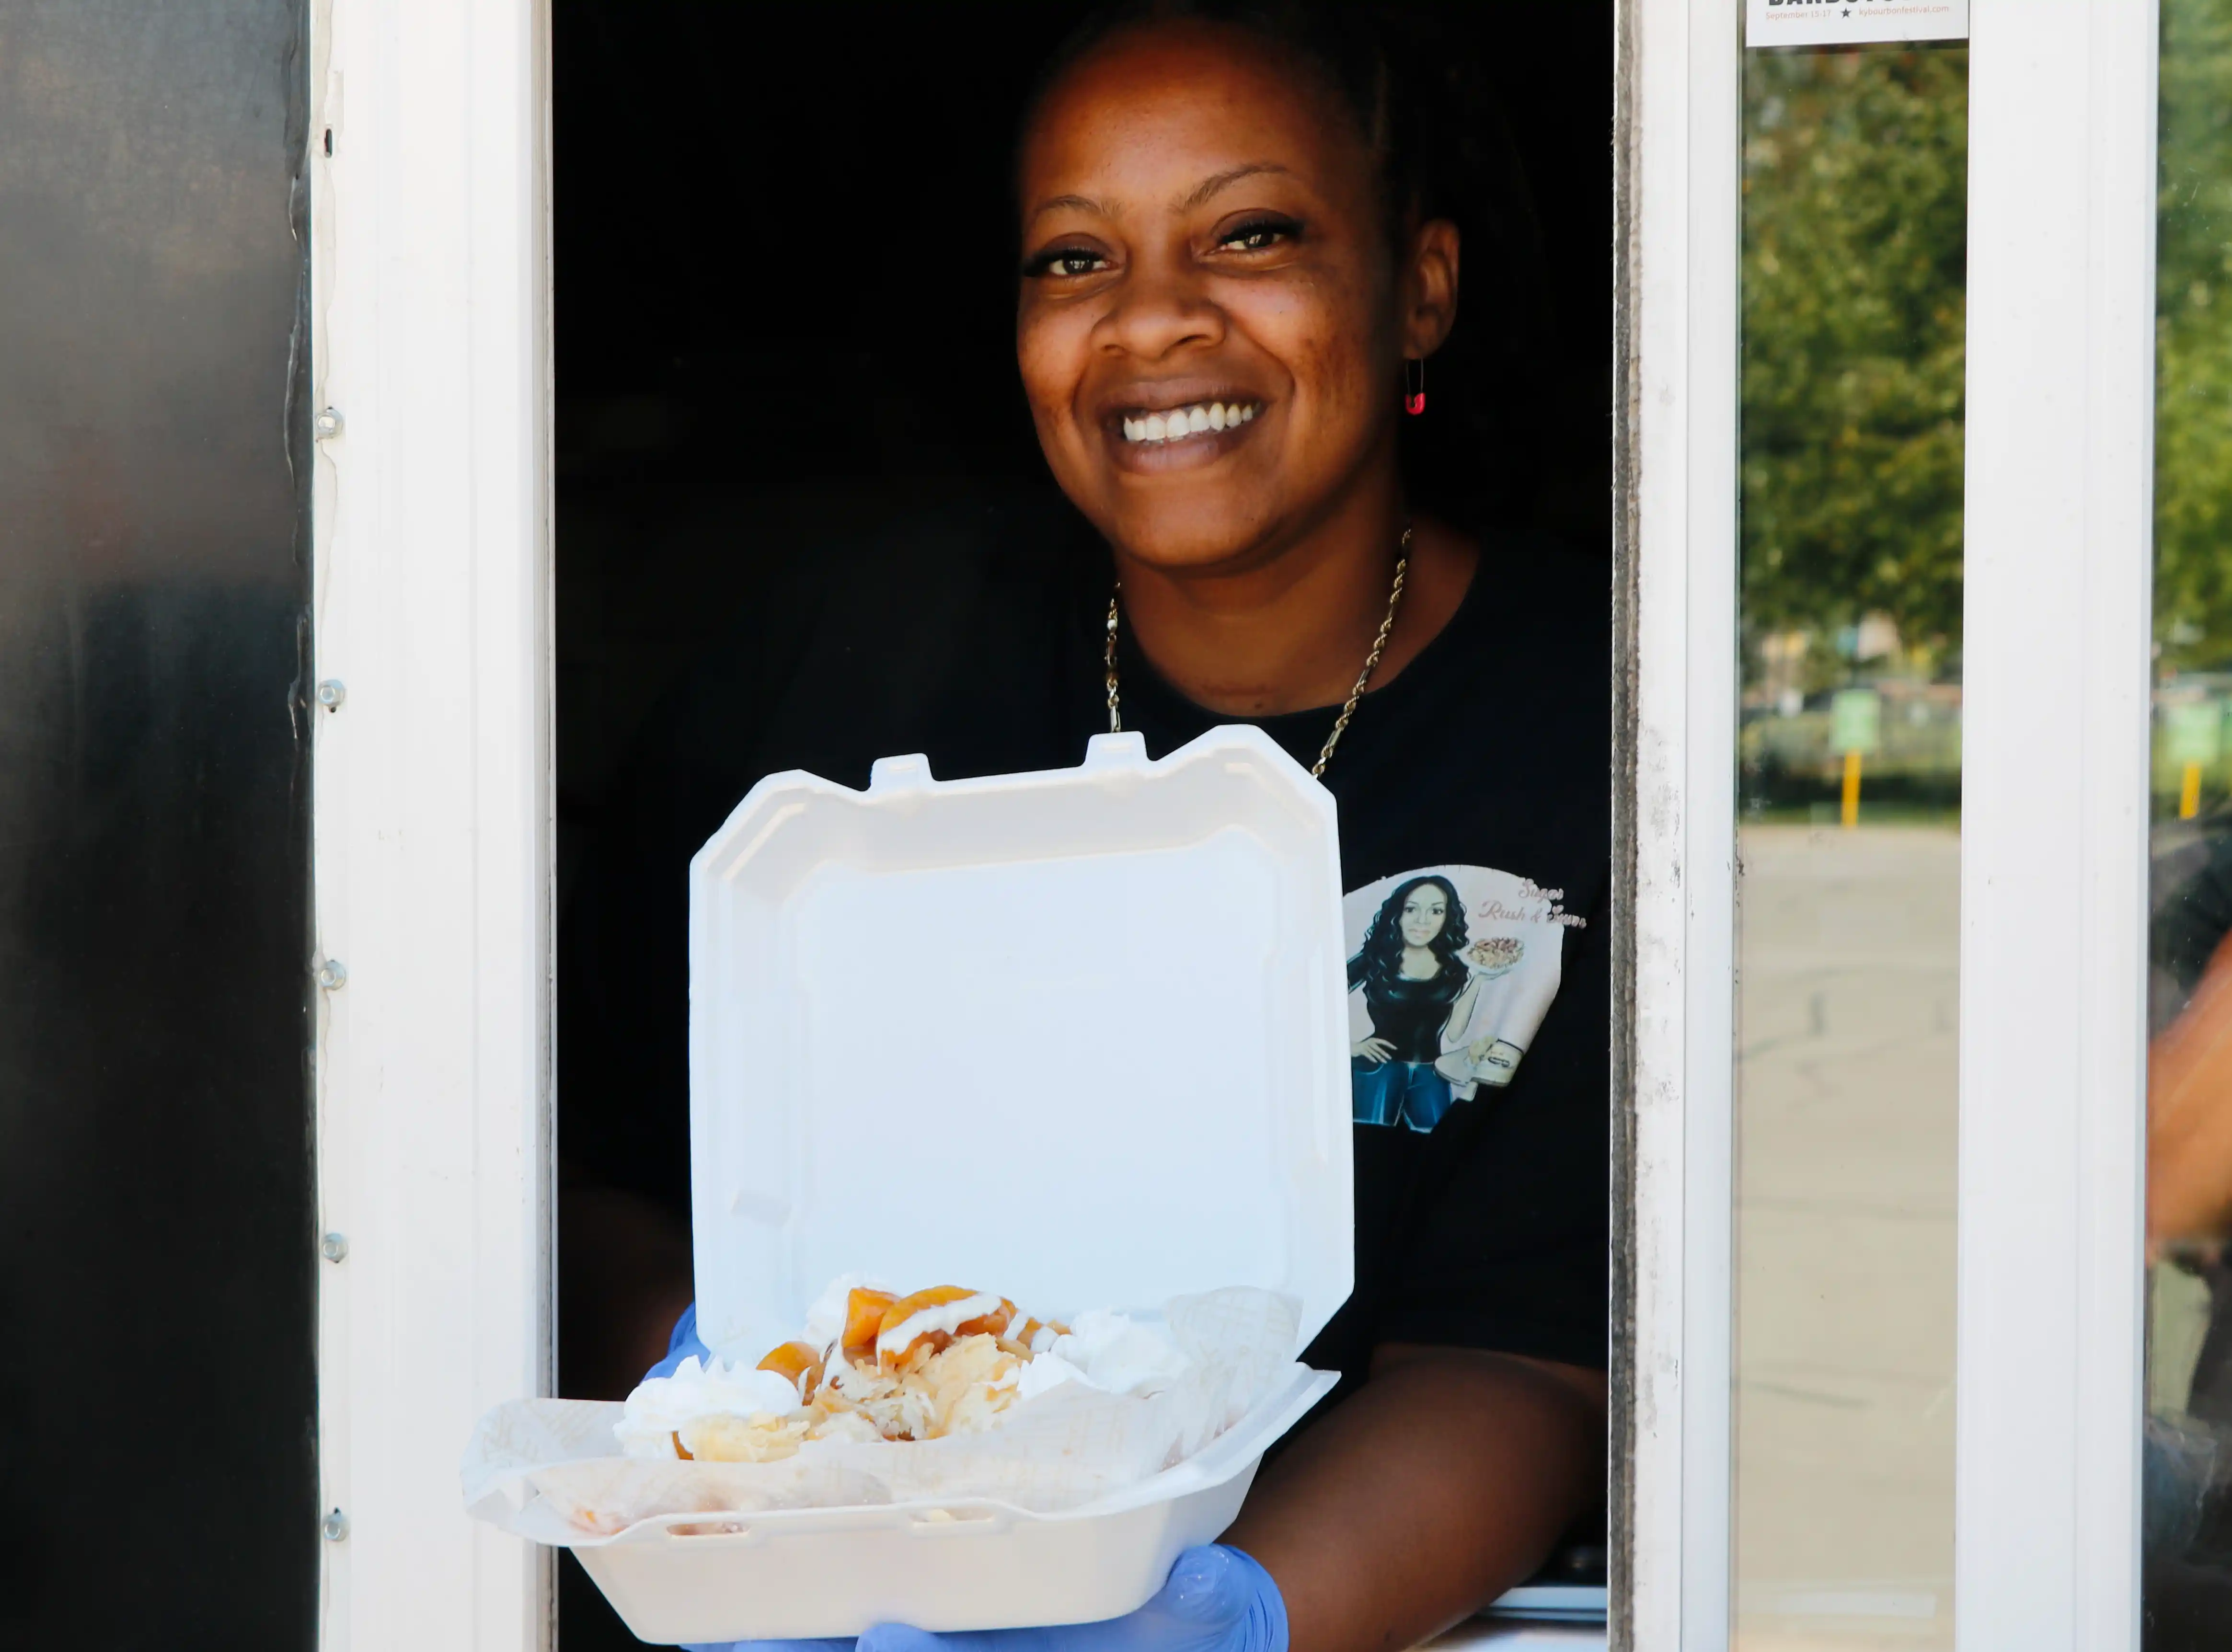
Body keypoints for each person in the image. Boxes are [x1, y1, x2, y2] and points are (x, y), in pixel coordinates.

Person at [560, 4, 1611, 1648]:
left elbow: (1523, 1355)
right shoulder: (842, 673)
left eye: (1248, 234)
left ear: (1420, 286)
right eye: (1072, 260)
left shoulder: (1597, 734)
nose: (1152, 324)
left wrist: (1223, 1618)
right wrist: (749, 1470)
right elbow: (596, 1171)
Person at [1348, 874, 1475, 1132]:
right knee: (1366, 1147)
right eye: (1411, 909)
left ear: (1447, 917)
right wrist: (1349, 1046)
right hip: (1376, 1072)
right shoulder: (1373, 960)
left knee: (1436, 1147)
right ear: (1398, 914)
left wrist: (1482, 978)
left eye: (1436, 911)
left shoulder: (1455, 970)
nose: (1422, 920)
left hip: (1431, 1076)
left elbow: (1454, 1033)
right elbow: (1314, 1000)